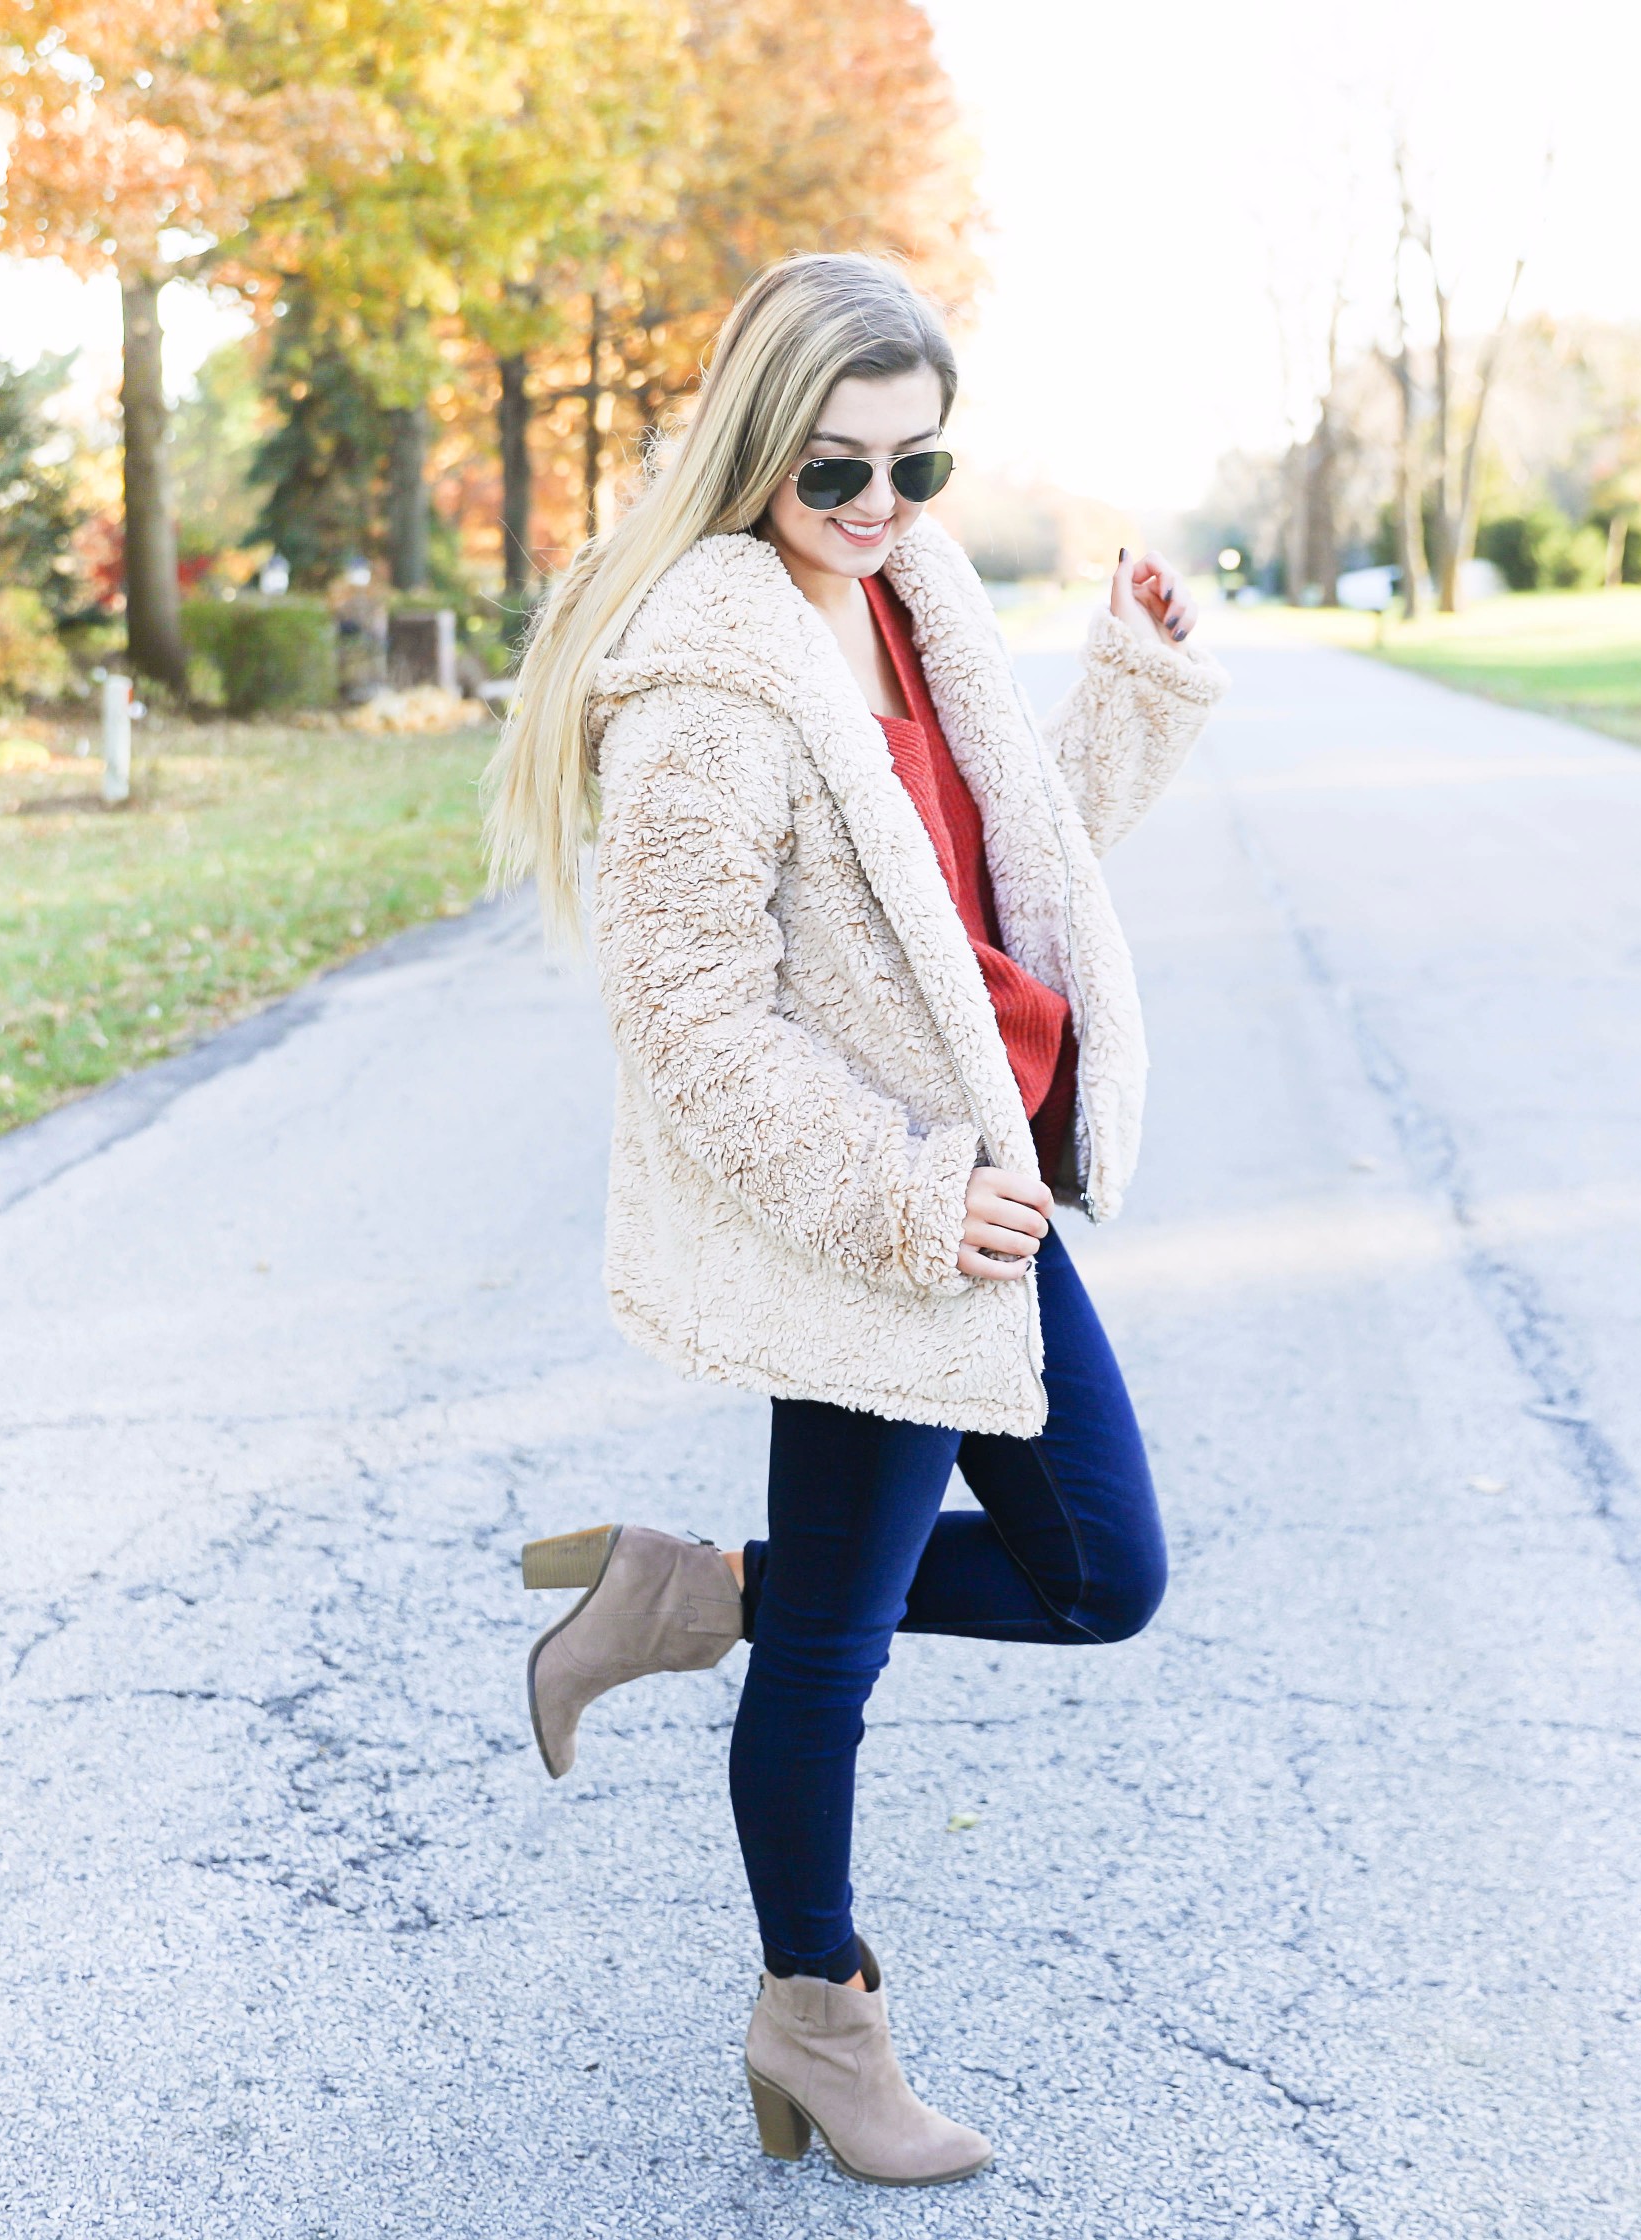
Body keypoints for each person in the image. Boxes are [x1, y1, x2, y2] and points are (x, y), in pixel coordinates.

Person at [484, 251, 1222, 2188]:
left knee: (1105, 1574)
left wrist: (1130, 695)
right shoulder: (708, 680)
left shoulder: (907, 600)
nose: (881, 509)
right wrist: (905, 1201)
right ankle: (816, 2007)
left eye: (919, 464)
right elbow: (698, 1026)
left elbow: (988, 865)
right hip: (881, 1223)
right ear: (754, 453)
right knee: (834, 1661)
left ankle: (694, 1589)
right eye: (837, 473)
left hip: (985, 1190)